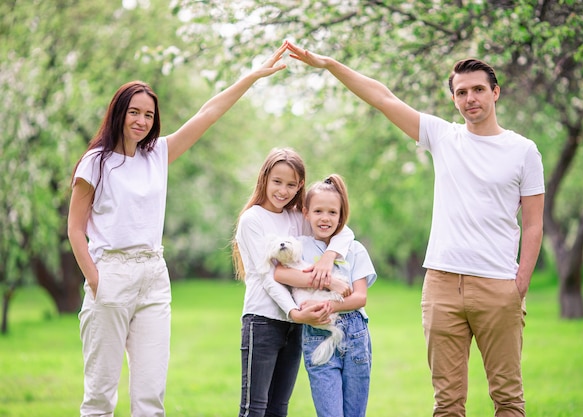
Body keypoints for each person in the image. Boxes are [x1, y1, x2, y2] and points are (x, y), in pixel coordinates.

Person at [285, 41, 545, 417]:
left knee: (507, 399)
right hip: (442, 287)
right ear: (454, 98)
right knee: (447, 403)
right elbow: (383, 98)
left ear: (495, 92)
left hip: (497, 286)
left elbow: (535, 224)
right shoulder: (445, 137)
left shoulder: (523, 150)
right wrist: (328, 65)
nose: (470, 98)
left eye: (478, 90)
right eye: (461, 92)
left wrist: (518, 285)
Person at [66, 42, 289, 417]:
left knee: (151, 399)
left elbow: (209, 112)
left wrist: (251, 77)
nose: (141, 121)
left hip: (154, 276)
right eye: (134, 112)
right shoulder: (96, 163)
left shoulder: (159, 156)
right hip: (111, 274)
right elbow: (75, 229)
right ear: (118, 114)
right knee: (100, 397)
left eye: (149, 115)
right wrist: (96, 280)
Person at [232, 148, 354, 417]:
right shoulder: (253, 219)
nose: (283, 191)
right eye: (277, 182)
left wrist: (329, 257)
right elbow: (268, 276)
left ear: (300, 185)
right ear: (264, 179)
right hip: (263, 321)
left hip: (295, 326)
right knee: (255, 408)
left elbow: (344, 231)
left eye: (291, 184)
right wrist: (296, 312)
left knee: (279, 408)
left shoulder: (297, 217)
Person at [274, 174, 377, 417]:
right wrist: (329, 282)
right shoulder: (299, 246)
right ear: (306, 213)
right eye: (318, 211)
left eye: (333, 212)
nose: (325, 218)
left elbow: (360, 297)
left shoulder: (354, 249)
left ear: (341, 216)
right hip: (317, 336)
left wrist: (330, 306)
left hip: (355, 334)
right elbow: (280, 273)